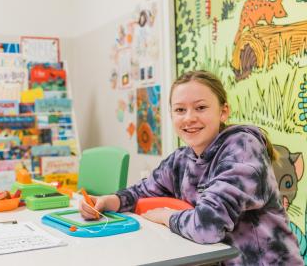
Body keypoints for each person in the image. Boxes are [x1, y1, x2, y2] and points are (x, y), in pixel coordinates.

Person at [79, 70, 303, 265]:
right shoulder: (181, 159)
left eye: (201, 107)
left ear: (223, 111)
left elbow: (207, 226)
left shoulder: (243, 148)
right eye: (179, 110)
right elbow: (143, 191)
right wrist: (109, 201)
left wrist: (166, 217)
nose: (189, 118)